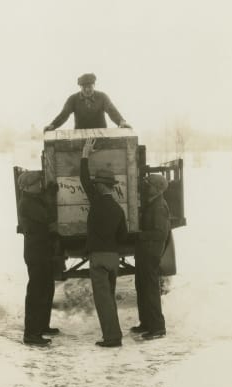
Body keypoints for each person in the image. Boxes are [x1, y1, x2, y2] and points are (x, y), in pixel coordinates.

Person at [80, 137, 128, 347]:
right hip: (113, 258)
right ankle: (114, 334)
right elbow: (123, 237)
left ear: (100, 187)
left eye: (96, 184)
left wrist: (85, 155)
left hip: (98, 257)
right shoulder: (118, 209)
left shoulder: (97, 202)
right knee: (109, 297)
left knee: (103, 300)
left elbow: (83, 179)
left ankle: (112, 338)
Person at [17, 170, 60, 347]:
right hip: (36, 253)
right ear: (27, 187)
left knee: (47, 288)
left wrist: (47, 194)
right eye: (36, 184)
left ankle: (42, 326)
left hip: (42, 250)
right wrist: (50, 196)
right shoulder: (27, 203)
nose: (39, 186)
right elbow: (48, 216)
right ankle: (31, 334)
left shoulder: (33, 199)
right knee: (36, 292)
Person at [131, 173, 170, 340]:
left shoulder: (159, 207)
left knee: (150, 290)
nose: (147, 187)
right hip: (145, 251)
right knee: (142, 287)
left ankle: (157, 327)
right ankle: (146, 323)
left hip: (150, 252)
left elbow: (161, 233)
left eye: (150, 185)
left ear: (158, 189)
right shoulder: (152, 203)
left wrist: (140, 235)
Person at [44, 73, 131, 132]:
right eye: (84, 87)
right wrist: (52, 125)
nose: (87, 89)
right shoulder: (73, 99)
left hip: (101, 134)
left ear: (94, 85)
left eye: (90, 86)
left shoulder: (102, 97)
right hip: (80, 134)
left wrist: (121, 122)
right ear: (80, 87)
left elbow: (112, 111)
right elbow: (64, 115)